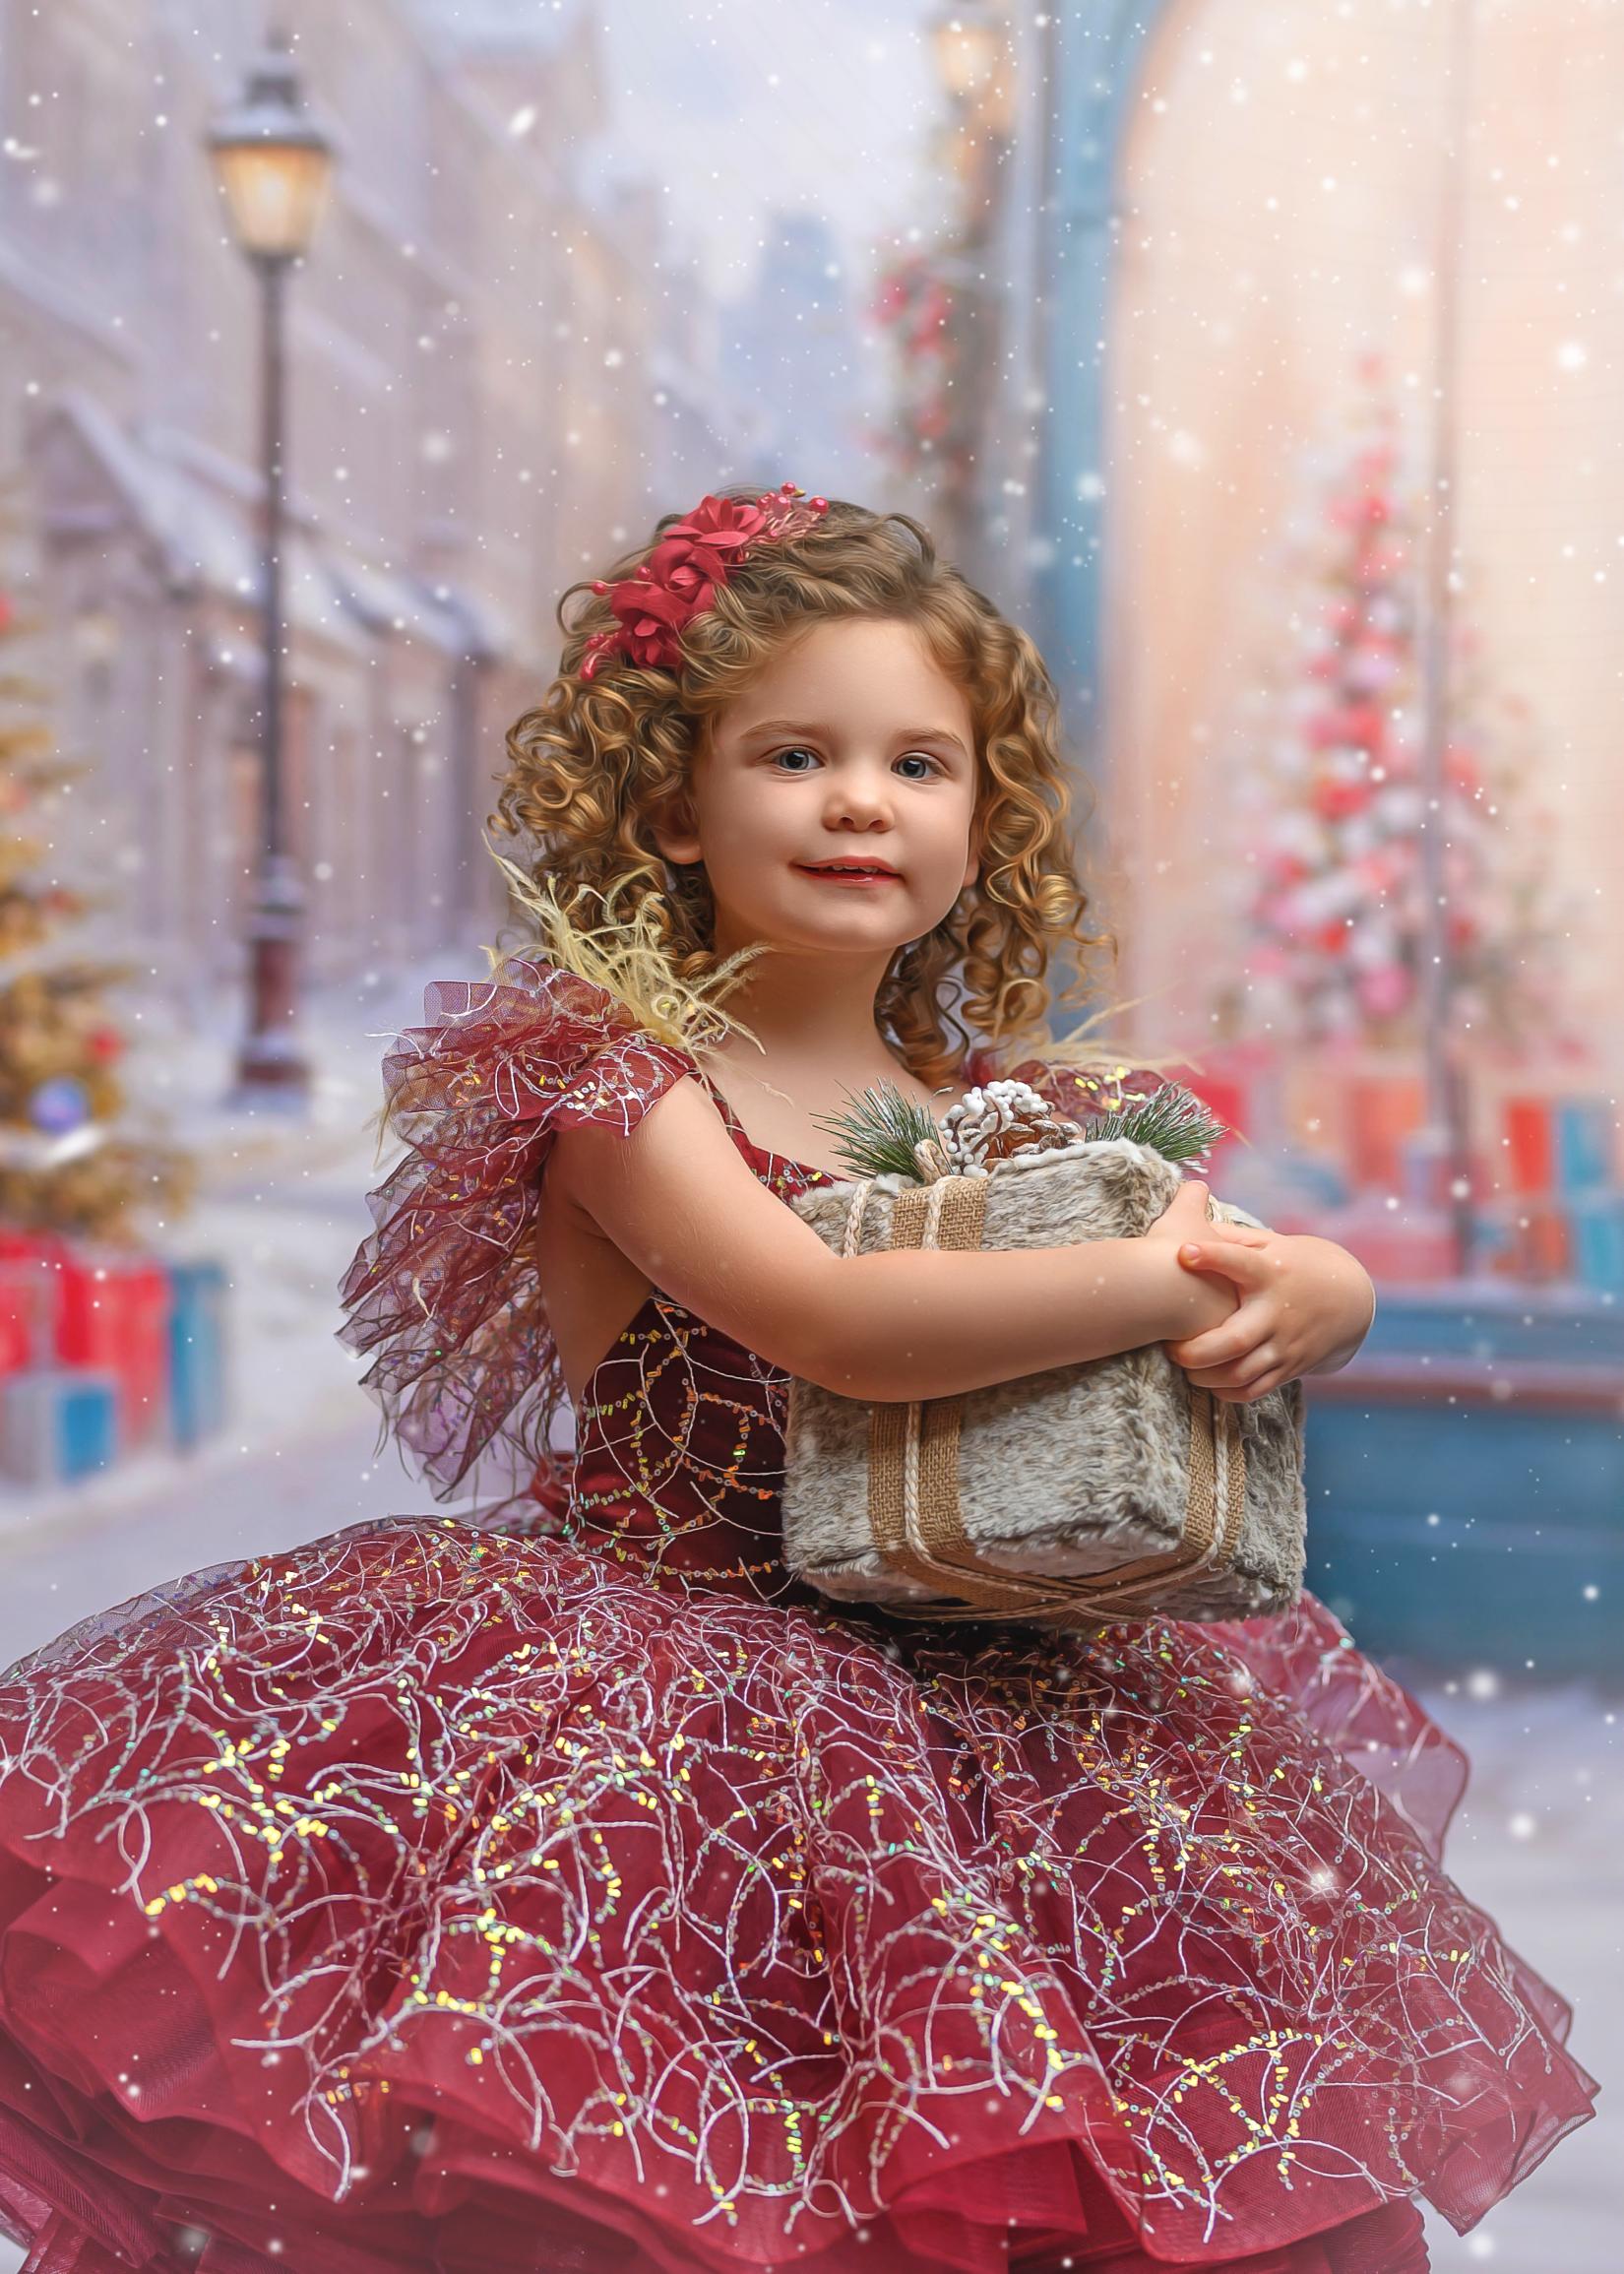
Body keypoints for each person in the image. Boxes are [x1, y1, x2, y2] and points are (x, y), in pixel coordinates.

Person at [0, 488, 1594, 2274]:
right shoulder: (619, 1090)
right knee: (713, 2182)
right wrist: (1159, 1277)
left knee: (1077, 2164)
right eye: (795, 754)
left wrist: (1325, 1283)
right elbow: (826, 1318)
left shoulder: (1012, 1115)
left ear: (980, 819)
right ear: (674, 803)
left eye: (920, 763)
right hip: (679, 1721)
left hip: (1024, 1717)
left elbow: (1228, 1253)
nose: (861, 800)